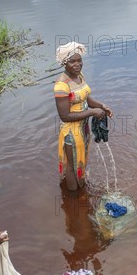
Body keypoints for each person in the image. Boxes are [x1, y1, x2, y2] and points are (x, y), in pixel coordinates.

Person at [54, 42, 113, 191]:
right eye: (72, 61)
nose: (77, 64)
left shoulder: (79, 76)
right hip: (71, 132)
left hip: (83, 129)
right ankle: (74, 201)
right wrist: (92, 112)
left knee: (81, 161)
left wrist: (101, 106)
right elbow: (65, 116)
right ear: (64, 63)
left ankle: (82, 194)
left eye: (79, 60)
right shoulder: (61, 85)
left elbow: (86, 98)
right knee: (72, 167)